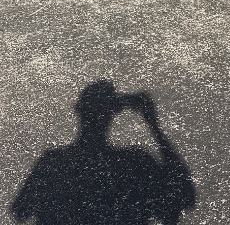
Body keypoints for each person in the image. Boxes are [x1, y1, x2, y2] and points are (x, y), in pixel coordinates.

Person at [12, 80, 196, 225]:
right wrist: (153, 123)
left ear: (79, 111)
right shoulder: (133, 164)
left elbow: (21, 210)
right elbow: (183, 198)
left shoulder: (55, 164)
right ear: (113, 113)